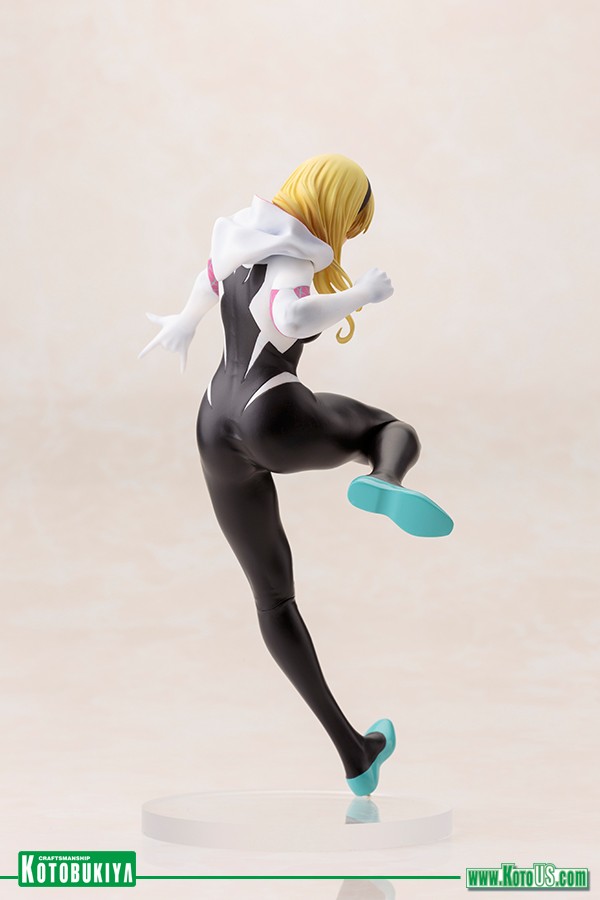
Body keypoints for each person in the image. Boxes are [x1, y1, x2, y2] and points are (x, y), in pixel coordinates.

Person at [140, 154, 453, 796]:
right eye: (353, 220)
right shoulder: (293, 254)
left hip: (213, 421)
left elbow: (207, 280)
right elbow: (290, 318)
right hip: (271, 412)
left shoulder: (239, 235)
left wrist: (183, 322)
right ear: (335, 206)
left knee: (273, 598)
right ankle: (385, 479)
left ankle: (355, 753)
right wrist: (362, 295)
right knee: (387, 428)